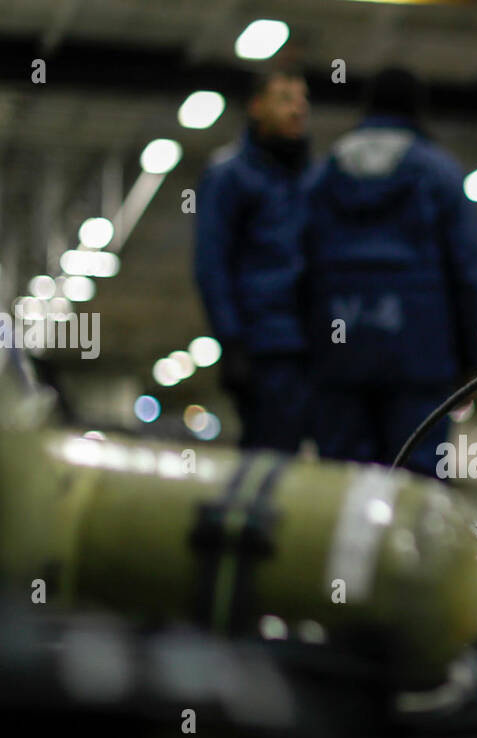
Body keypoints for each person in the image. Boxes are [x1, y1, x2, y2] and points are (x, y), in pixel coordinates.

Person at [303, 68, 477, 476]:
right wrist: (472, 354)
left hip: (340, 350)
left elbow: (300, 261)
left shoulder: (323, 174)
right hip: (420, 353)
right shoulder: (439, 172)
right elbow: (467, 269)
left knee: (342, 480)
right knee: (415, 483)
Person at [194, 63, 312, 451]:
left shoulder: (311, 179)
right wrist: (232, 342)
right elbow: (212, 263)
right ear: (257, 107)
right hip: (263, 348)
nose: (297, 110)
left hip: (312, 347)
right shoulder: (229, 176)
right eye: (284, 100)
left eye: (302, 101)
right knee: (269, 459)